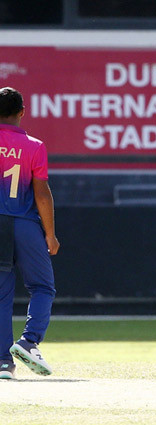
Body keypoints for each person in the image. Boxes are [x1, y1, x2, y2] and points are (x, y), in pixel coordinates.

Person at [0, 87, 59, 379]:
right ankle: (29, 341)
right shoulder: (34, 146)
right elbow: (42, 193)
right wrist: (50, 233)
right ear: (22, 112)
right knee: (43, 287)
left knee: (1, 294)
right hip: (24, 223)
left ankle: (3, 363)